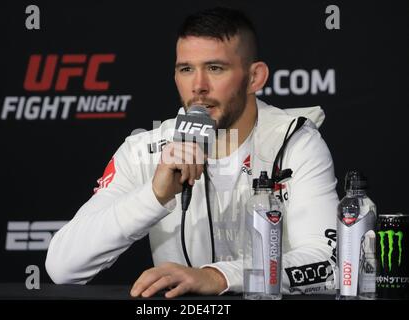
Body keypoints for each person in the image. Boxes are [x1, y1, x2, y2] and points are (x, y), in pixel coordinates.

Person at [46, 7, 339, 298]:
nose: (198, 87)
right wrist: (154, 196)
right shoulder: (144, 150)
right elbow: (63, 267)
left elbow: (329, 267)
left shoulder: (295, 143)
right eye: (186, 69)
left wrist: (218, 277)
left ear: (254, 78)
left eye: (215, 68)